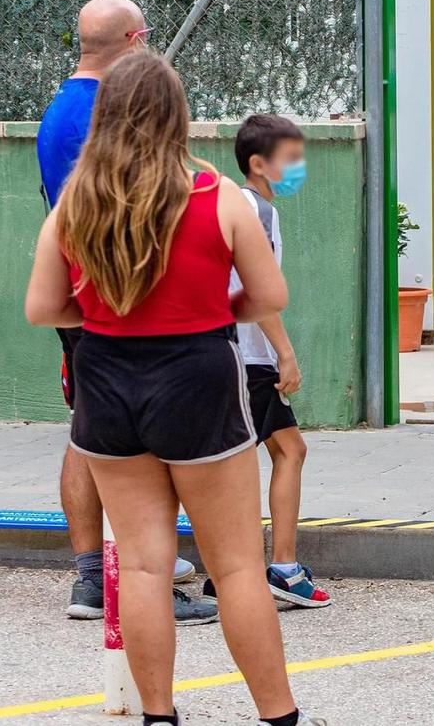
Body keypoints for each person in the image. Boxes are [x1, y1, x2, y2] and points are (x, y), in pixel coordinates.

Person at [24, 52, 320, 726]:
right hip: (197, 374)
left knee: (145, 565)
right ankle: (279, 716)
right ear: (176, 116)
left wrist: (104, 314)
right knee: (240, 566)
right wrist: (214, 312)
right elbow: (270, 292)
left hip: (107, 378)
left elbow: (43, 307)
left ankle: (158, 715)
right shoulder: (214, 194)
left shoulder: (77, 200)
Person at [37, 0, 215, 625]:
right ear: (137, 39)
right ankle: (138, 577)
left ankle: (94, 577)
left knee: (92, 431)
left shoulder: (60, 112)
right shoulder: (113, 111)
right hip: (120, 302)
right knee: (141, 443)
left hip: (87, 302)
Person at [199, 114, 331, 611]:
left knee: (278, 453)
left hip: (232, 352)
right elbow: (256, 289)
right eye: (290, 160)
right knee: (281, 454)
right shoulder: (256, 210)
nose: (298, 168)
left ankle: (237, 571)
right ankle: (280, 567)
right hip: (247, 357)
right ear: (259, 164)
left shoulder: (236, 201)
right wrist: (285, 353)